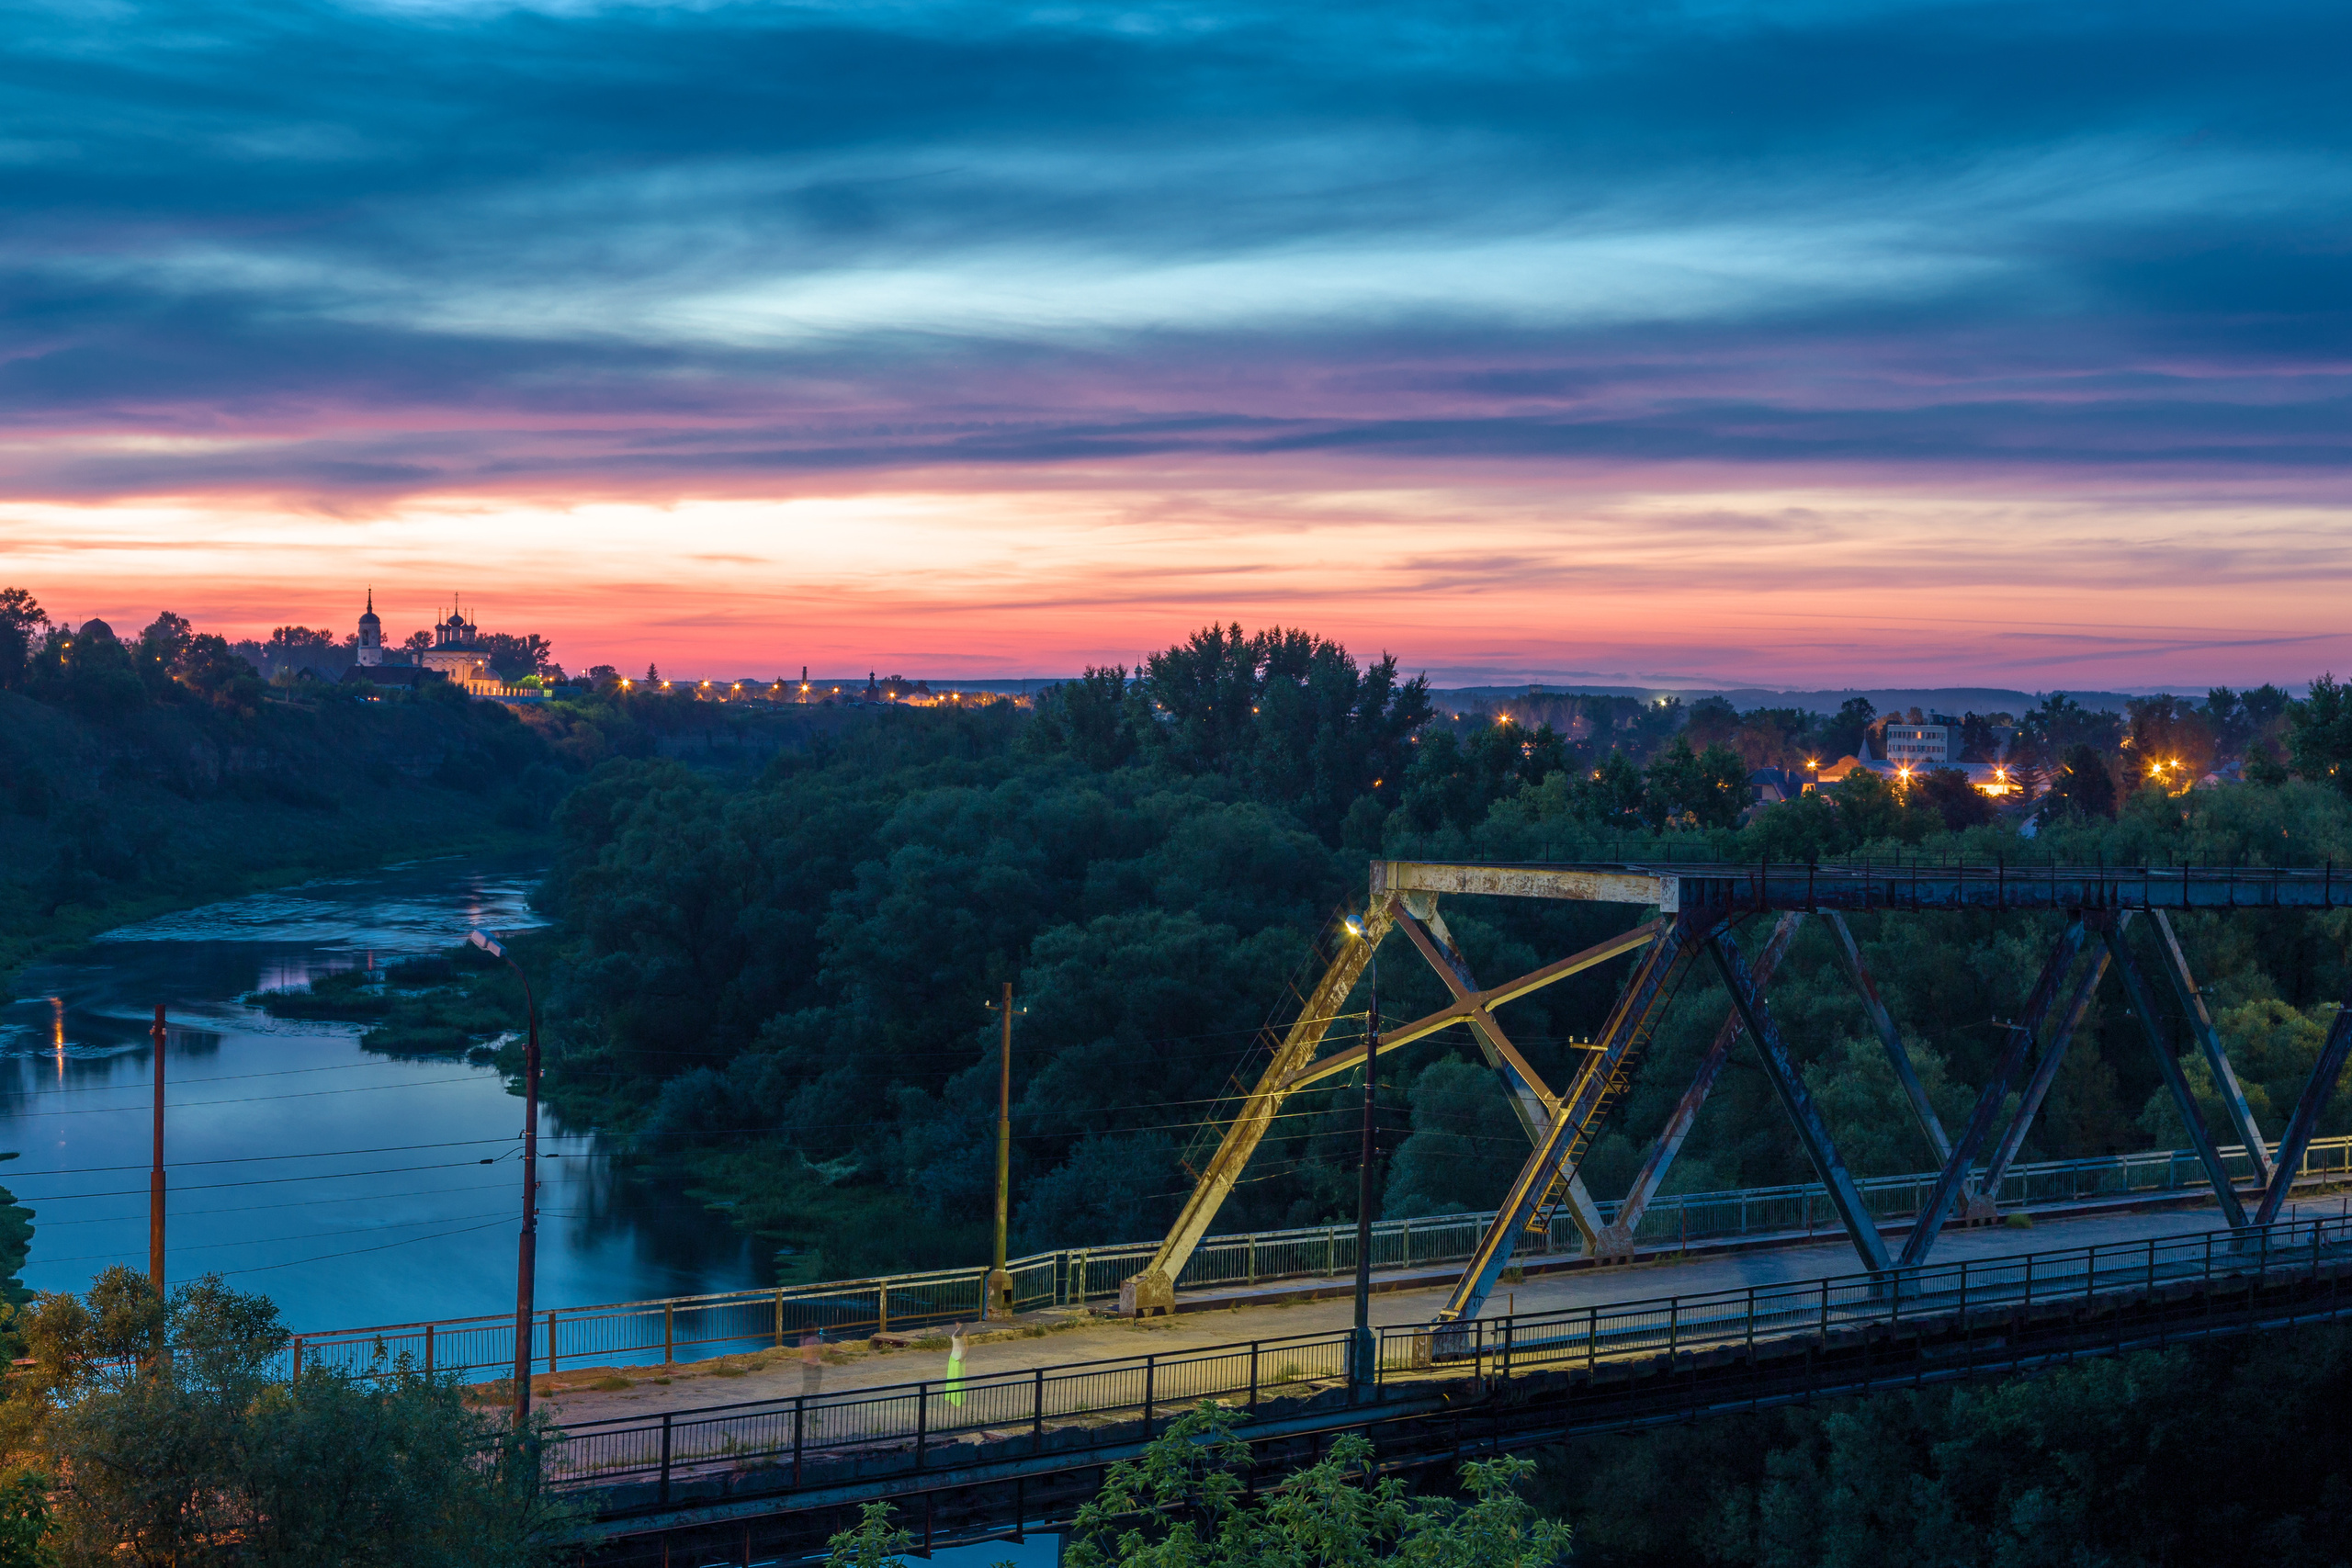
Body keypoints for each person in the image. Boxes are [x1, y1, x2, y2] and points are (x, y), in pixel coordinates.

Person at [944, 1322, 967, 1408]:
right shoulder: (957, 1331)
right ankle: (951, 1397)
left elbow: (967, 1346)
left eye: (959, 1323)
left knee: (957, 1378)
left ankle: (958, 1399)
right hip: (953, 1356)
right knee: (951, 1376)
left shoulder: (965, 1332)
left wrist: (963, 1357)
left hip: (959, 1356)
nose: (957, 1324)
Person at [799, 1325, 823, 1398]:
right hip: (815, 1364)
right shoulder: (814, 1339)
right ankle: (813, 1407)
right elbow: (819, 1351)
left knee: (806, 1385)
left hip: (805, 1363)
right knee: (815, 1388)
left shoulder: (802, 1339)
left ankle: (803, 1406)